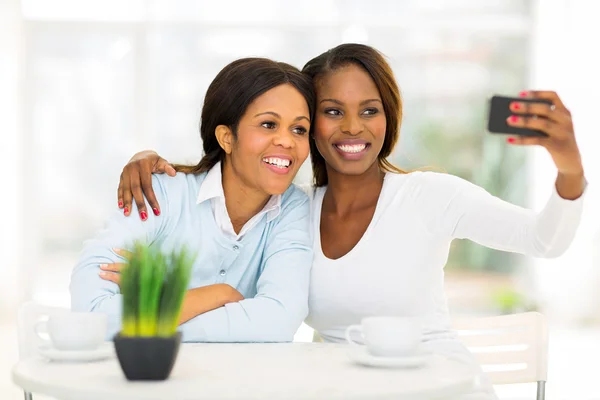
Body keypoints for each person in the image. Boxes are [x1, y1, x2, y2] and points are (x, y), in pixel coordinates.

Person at [110, 44, 586, 398]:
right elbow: (233, 189)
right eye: (332, 112)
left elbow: (544, 240)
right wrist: (155, 163)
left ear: (389, 118)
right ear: (309, 125)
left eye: (370, 111)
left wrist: (569, 168)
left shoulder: (429, 195)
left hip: (440, 387)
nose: (353, 128)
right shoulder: (289, 211)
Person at [70, 57, 316, 343]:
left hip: (239, 384)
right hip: (146, 382)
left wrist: (158, 304)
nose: (287, 141)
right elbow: (89, 315)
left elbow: (278, 322)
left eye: (299, 129)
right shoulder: (161, 192)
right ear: (226, 137)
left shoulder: (294, 208)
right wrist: (218, 294)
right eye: (268, 124)